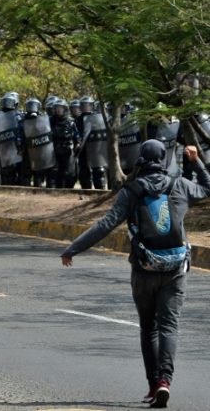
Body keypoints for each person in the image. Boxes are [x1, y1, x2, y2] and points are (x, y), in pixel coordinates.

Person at [60, 140, 210, 409]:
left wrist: (73, 248)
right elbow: (208, 187)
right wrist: (196, 161)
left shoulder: (131, 190)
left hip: (144, 269)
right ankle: (165, 381)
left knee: (149, 328)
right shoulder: (180, 185)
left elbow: (105, 224)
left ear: (141, 158)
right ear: (164, 159)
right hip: (175, 269)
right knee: (169, 326)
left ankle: (153, 385)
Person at [50, 98, 80, 188]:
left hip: (67, 150)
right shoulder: (50, 121)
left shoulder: (71, 122)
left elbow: (76, 134)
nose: (58, 110)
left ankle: (67, 190)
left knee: (69, 173)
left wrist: (77, 143)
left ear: (65, 109)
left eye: (60, 108)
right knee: (55, 172)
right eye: (56, 108)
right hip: (53, 150)